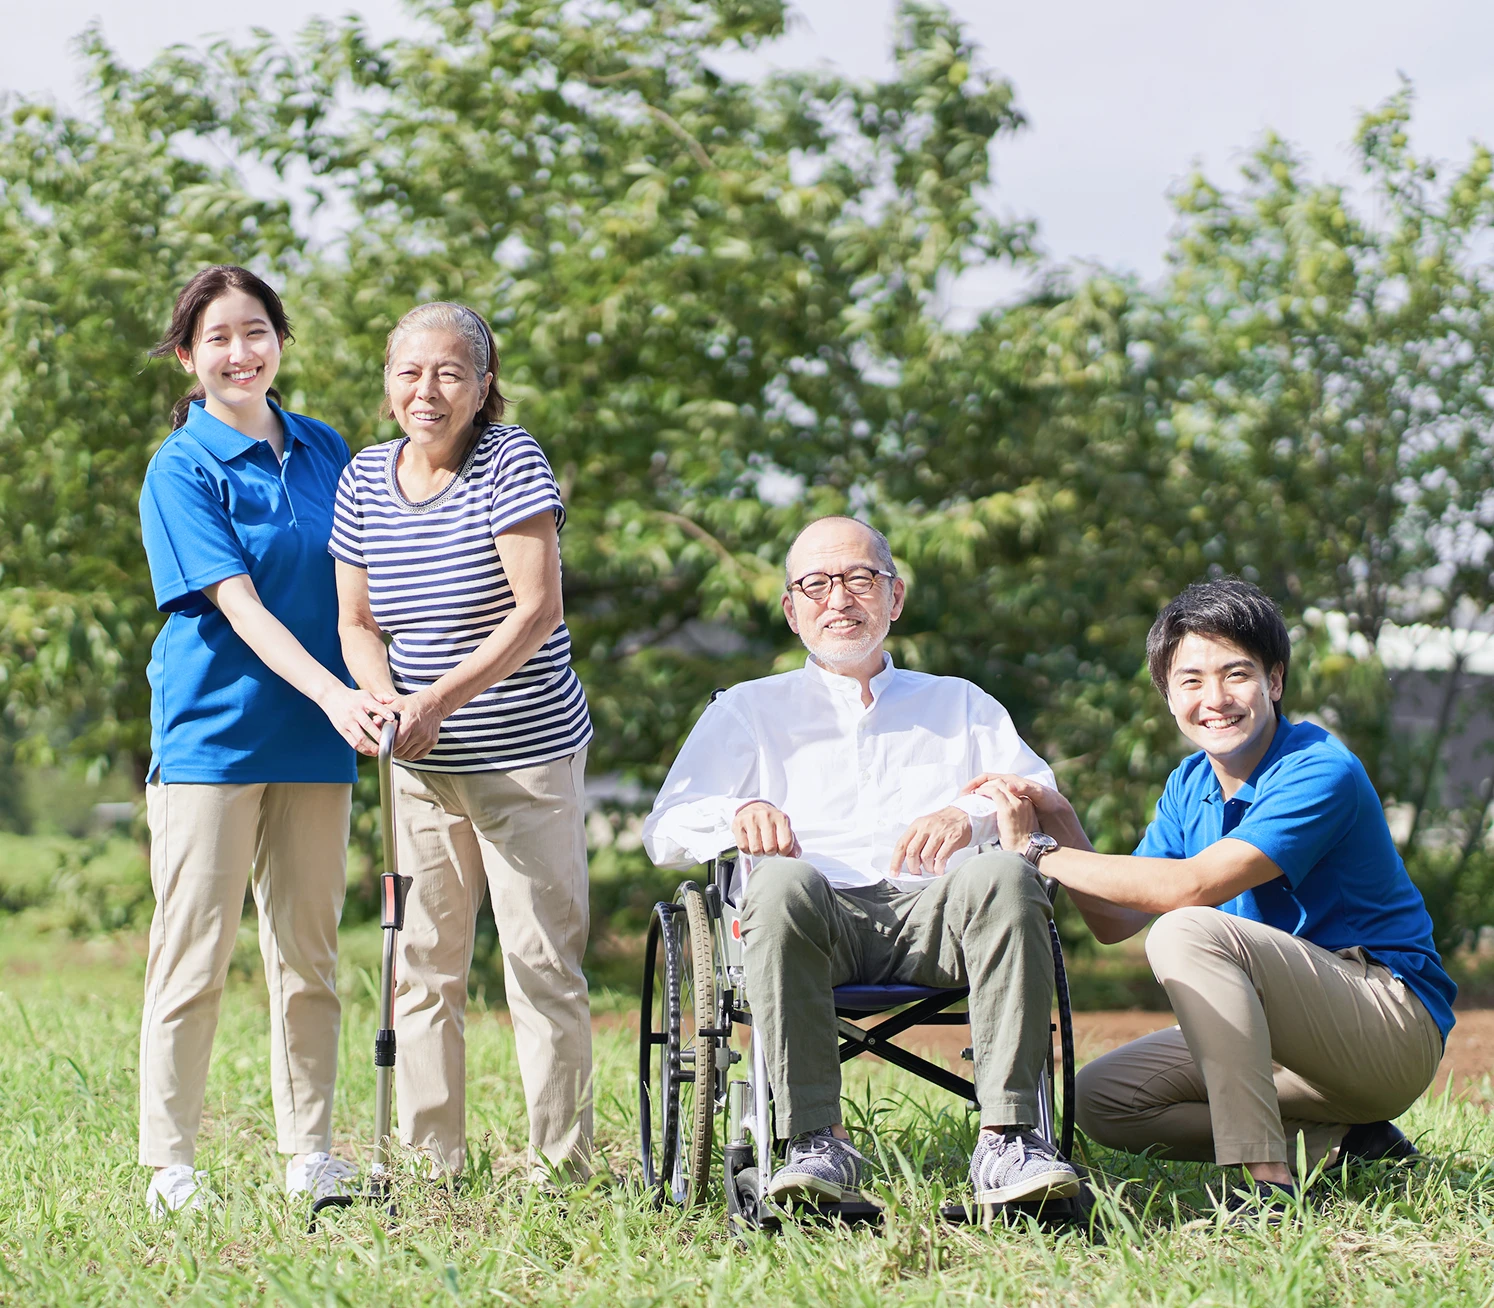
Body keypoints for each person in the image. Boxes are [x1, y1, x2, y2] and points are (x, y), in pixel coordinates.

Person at [968, 578, 1455, 1213]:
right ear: (1168, 695)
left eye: (1237, 674)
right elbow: (1115, 921)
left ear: (1274, 681)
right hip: (1290, 1042)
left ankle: (1266, 1184)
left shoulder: (1318, 767)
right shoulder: (1191, 781)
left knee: (1184, 927)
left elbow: (1191, 889)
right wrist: (1060, 821)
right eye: (1191, 680)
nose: (1215, 699)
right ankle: (1342, 1144)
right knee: (1103, 1099)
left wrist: (1036, 852)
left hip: (1386, 1024)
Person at [643, 515, 1080, 1207]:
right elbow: (664, 828)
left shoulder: (960, 704)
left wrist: (965, 815)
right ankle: (815, 1141)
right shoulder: (748, 710)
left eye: (858, 579)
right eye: (815, 584)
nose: (838, 599)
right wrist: (737, 815)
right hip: (814, 920)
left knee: (1003, 872)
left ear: (894, 598)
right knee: (781, 881)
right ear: (792, 610)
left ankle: (1010, 1142)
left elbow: (1039, 788)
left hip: (938, 918)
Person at [138, 265, 391, 1216]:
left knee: (310, 956)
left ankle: (310, 1157)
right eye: (217, 339)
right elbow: (239, 607)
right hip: (213, 742)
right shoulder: (182, 468)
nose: (239, 353)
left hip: (319, 741)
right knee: (191, 954)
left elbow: (366, 590)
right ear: (187, 356)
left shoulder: (328, 449)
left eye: (255, 332)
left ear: (280, 341)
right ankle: (170, 1166)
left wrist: (376, 692)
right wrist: (338, 695)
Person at [330, 301, 595, 1185]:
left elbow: (538, 610)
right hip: (421, 769)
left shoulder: (510, 460)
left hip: (525, 757)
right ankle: (428, 1159)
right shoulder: (365, 478)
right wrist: (384, 698)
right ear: (387, 384)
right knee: (421, 967)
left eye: (450, 373)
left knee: (539, 961)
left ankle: (559, 1166)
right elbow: (357, 622)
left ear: (484, 386)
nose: (428, 391)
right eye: (409, 373)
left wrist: (438, 696)